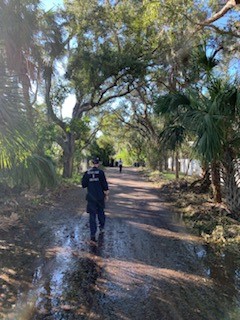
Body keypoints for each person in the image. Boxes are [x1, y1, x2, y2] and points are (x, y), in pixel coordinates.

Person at [81, 157, 109, 242]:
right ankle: (102, 227)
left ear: (91, 164)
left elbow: (83, 185)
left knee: (92, 215)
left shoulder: (87, 173)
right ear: (97, 164)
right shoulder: (101, 172)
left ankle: (93, 233)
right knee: (101, 212)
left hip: (91, 197)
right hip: (100, 197)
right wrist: (106, 194)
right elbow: (104, 184)